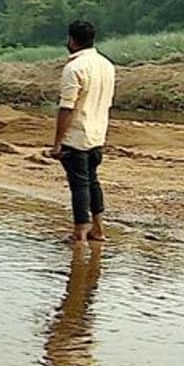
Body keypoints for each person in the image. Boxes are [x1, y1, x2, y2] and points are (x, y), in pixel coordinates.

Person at [48, 20, 115, 244]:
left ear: (72, 40)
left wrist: (57, 143)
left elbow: (67, 108)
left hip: (77, 136)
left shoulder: (74, 68)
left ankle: (80, 233)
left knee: (79, 185)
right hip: (97, 135)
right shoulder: (107, 65)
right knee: (92, 181)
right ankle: (98, 229)